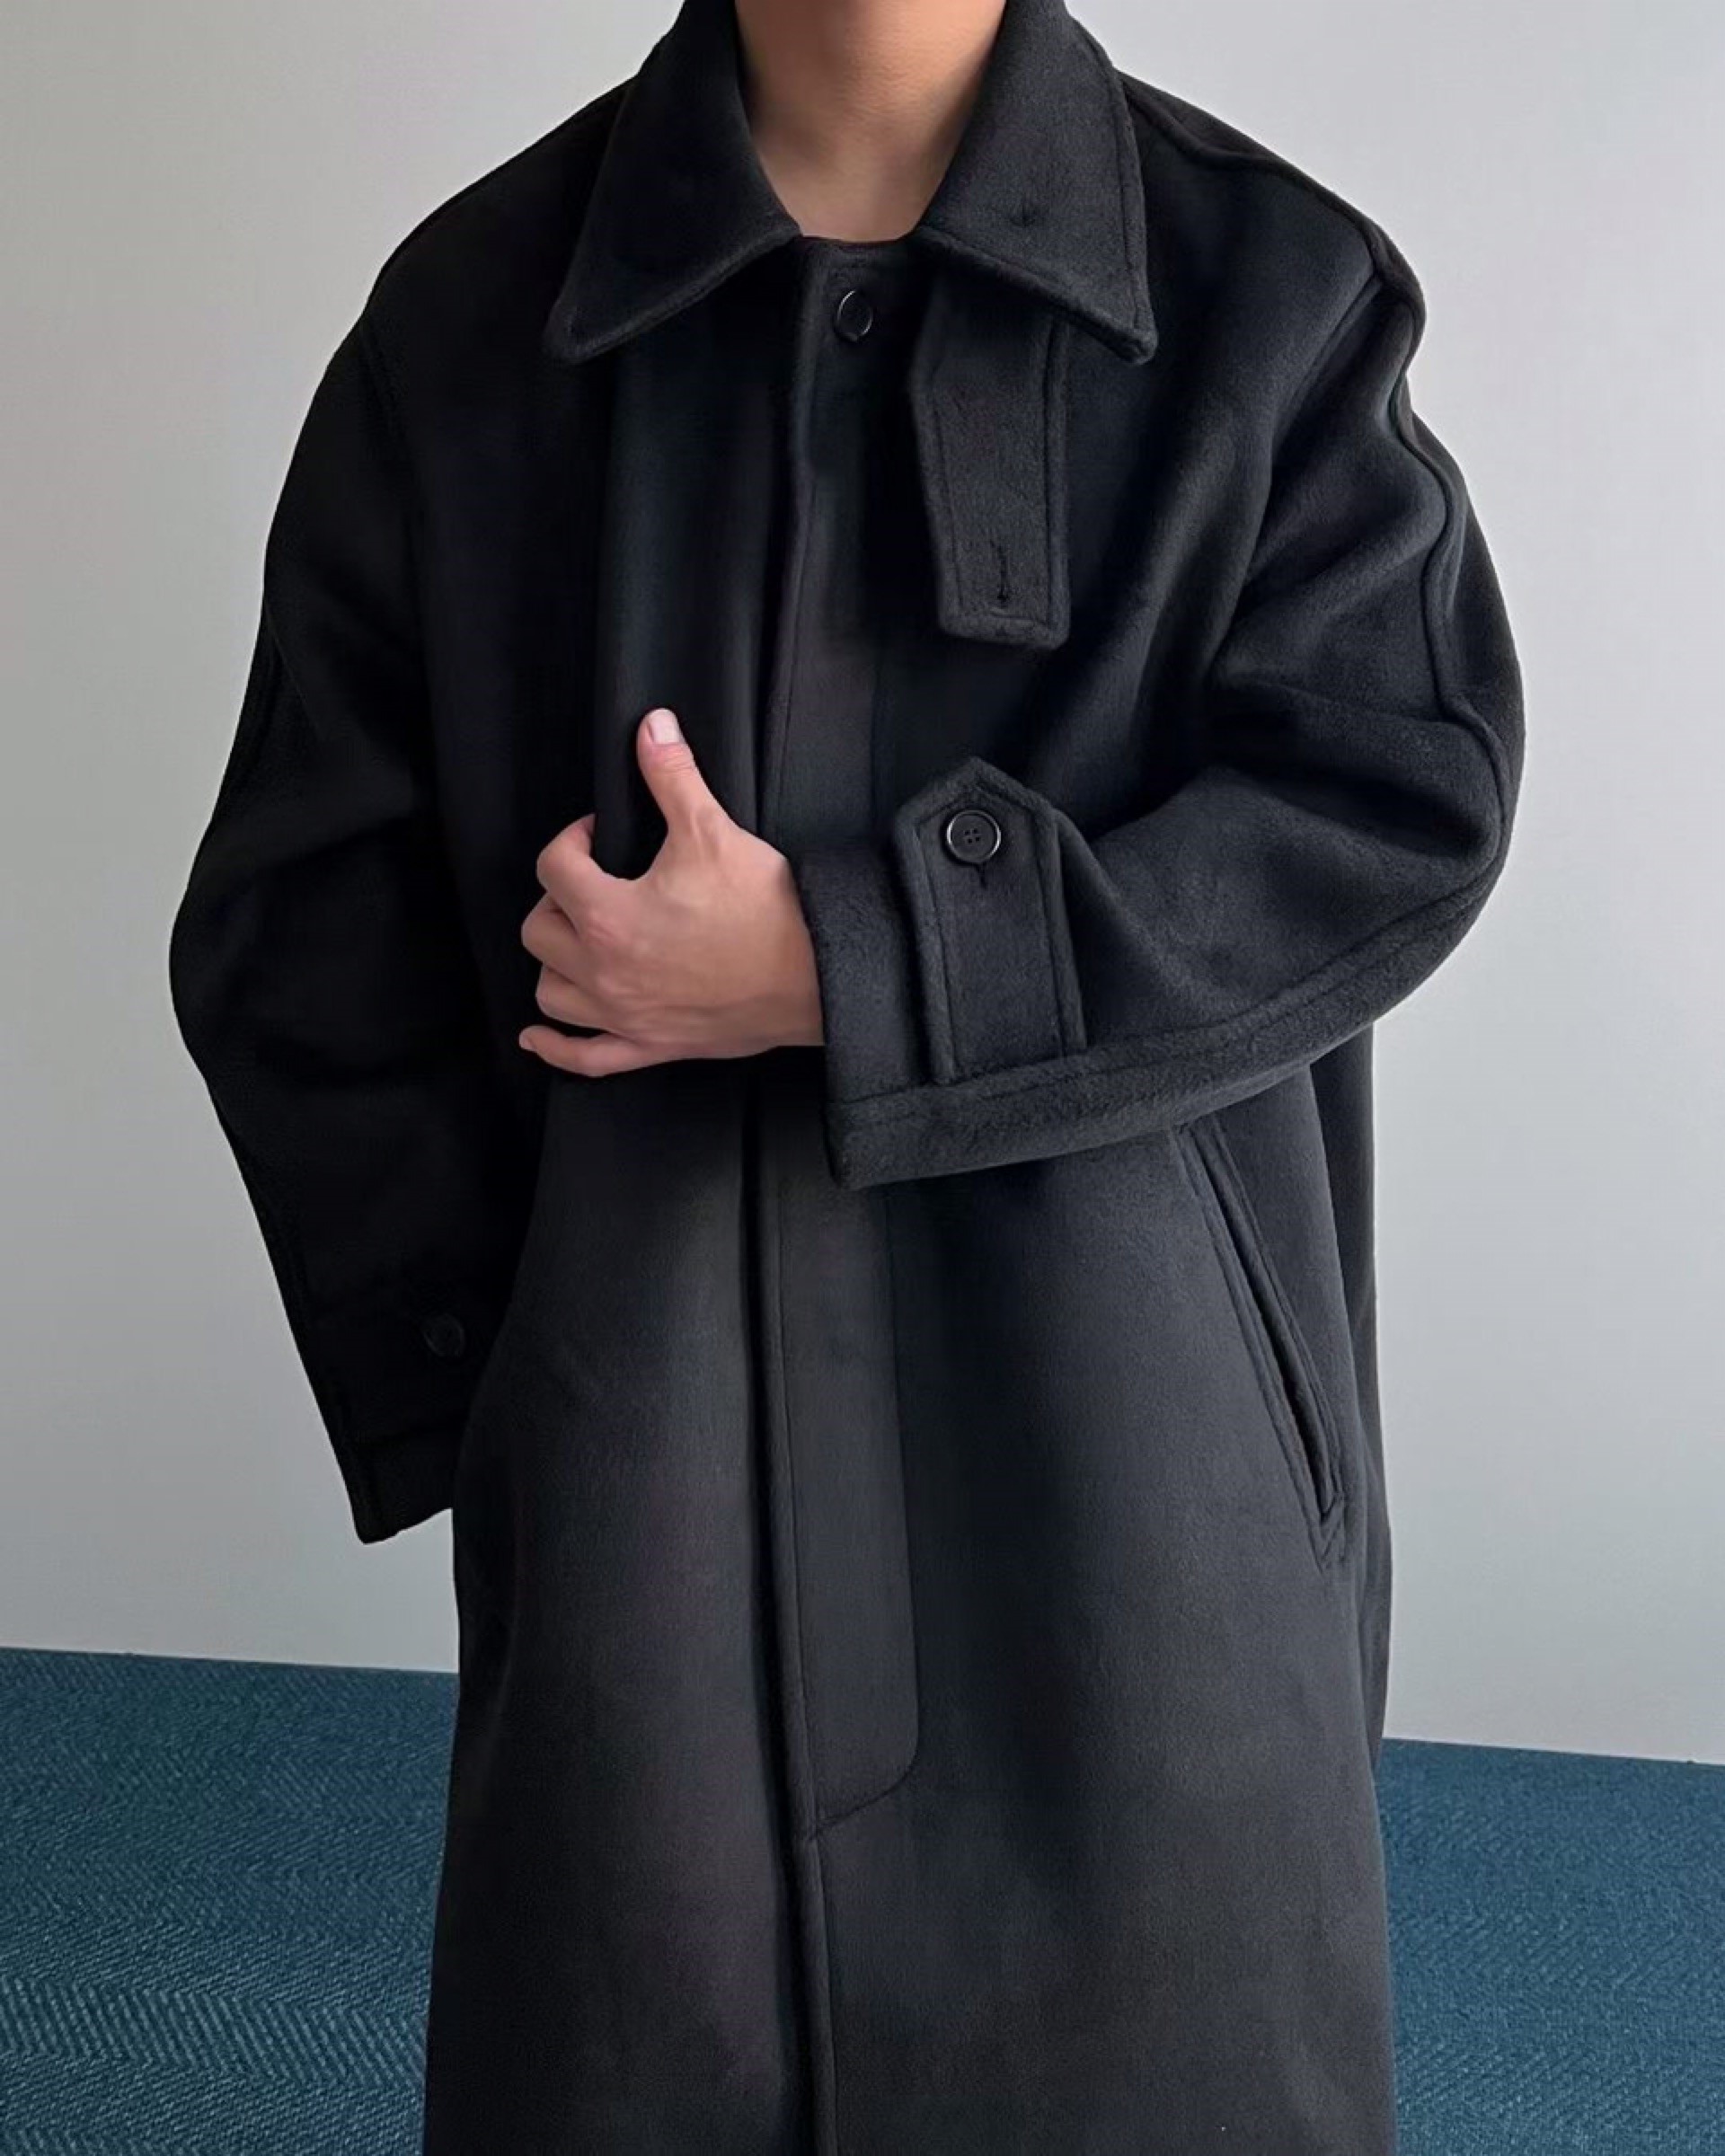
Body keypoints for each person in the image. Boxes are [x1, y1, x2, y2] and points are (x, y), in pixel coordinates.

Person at [168, 0, 1525, 2146]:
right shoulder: (475, 321)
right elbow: (304, 922)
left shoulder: (1267, 294)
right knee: (648, 2032)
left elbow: (1391, 803)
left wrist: (848, 958)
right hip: (654, 1495)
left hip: (1144, 1487)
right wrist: (510, 1385)